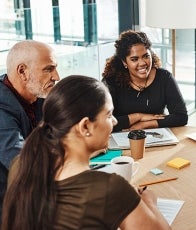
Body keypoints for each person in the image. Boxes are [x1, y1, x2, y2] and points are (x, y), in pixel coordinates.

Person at [2, 75, 171, 229]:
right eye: (109, 114)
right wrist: (150, 204)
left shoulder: (21, 164)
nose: (114, 121)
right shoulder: (110, 189)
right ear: (85, 126)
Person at [0, 40, 59, 220]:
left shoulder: (39, 96)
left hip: (39, 193)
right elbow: (20, 160)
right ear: (22, 72)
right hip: (11, 207)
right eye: (48, 69)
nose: (57, 76)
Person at [102, 30, 188, 131]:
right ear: (124, 62)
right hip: (120, 138)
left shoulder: (164, 77)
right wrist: (139, 116)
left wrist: (144, 125)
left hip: (156, 137)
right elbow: (103, 123)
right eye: (134, 59)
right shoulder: (111, 82)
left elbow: (181, 117)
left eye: (146, 56)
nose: (142, 63)